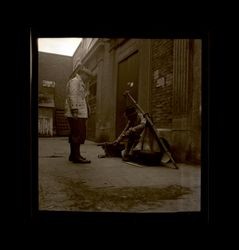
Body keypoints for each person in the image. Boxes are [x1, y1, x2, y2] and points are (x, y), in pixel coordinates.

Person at [65, 73, 91, 163]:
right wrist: (75, 110)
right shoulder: (75, 81)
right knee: (77, 134)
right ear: (83, 74)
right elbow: (73, 95)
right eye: (87, 76)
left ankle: (73, 155)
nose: (88, 78)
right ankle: (76, 157)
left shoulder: (79, 82)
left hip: (78, 113)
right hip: (77, 113)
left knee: (75, 134)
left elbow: (80, 97)